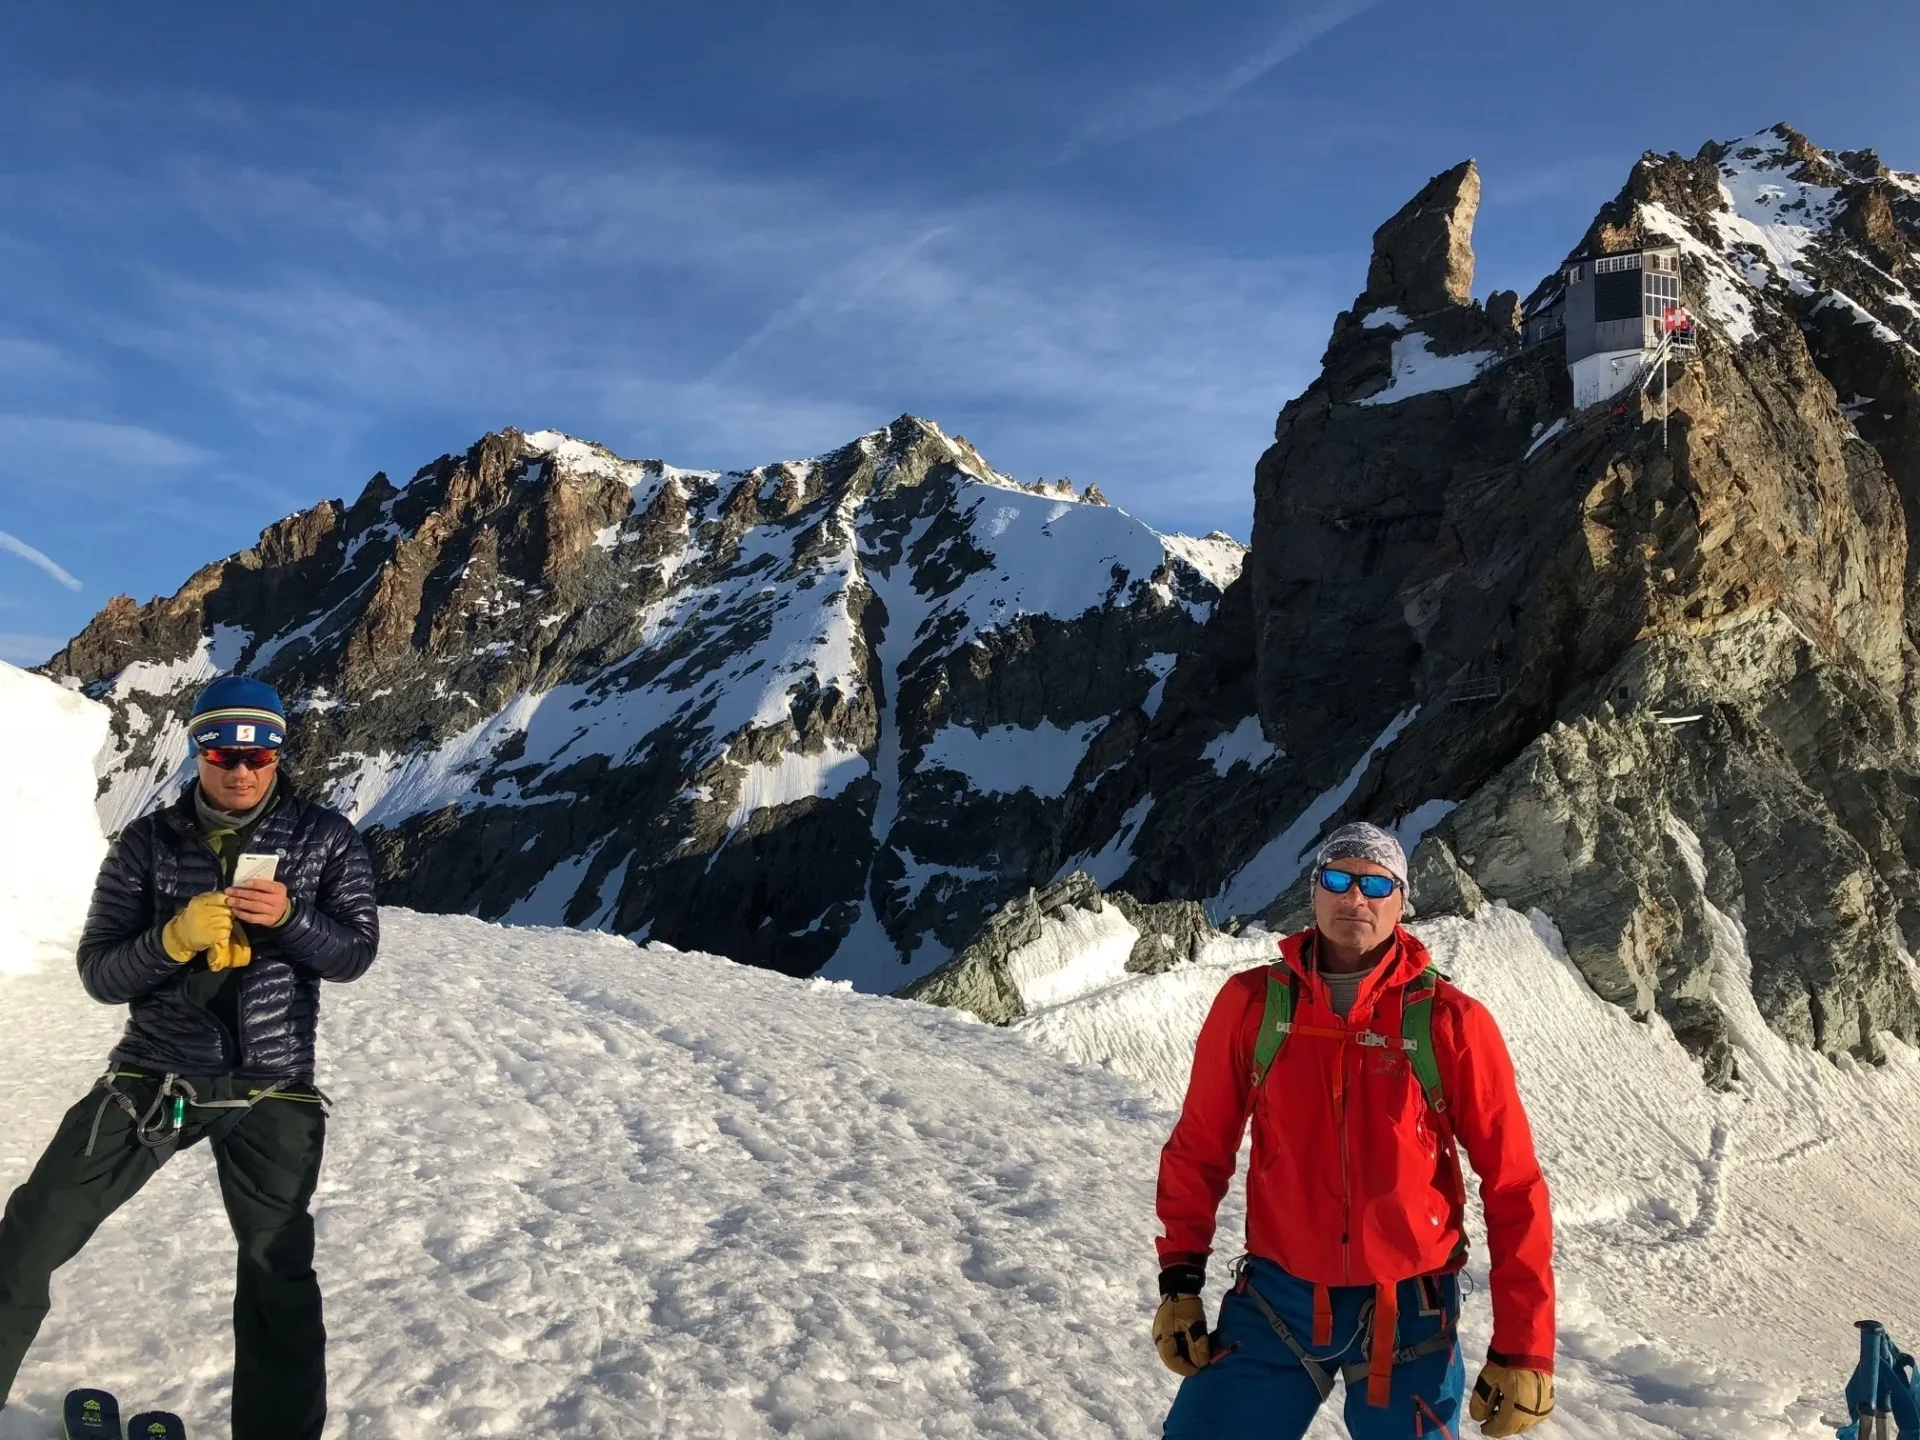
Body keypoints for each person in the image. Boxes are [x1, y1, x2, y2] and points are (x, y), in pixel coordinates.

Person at [0, 675, 377, 1440]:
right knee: (34, 1228)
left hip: (272, 1086)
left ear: (279, 752)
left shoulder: (326, 838)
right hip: (152, 1074)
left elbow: (354, 953)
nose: (241, 768)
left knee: (279, 1275)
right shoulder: (146, 845)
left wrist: (293, 918)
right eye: (223, 750)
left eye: (259, 751)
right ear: (198, 750)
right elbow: (100, 973)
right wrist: (171, 939)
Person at [1153, 821, 1555, 1439]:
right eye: (1337, 879)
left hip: (1411, 1312)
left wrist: (1525, 1346)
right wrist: (1180, 1278)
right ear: (1313, 892)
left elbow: (1514, 1184)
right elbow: (1200, 1147)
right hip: (1277, 1299)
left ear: (1401, 900)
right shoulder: (1253, 1006)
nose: (1354, 898)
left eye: (1375, 884)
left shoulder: (1450, 1022)